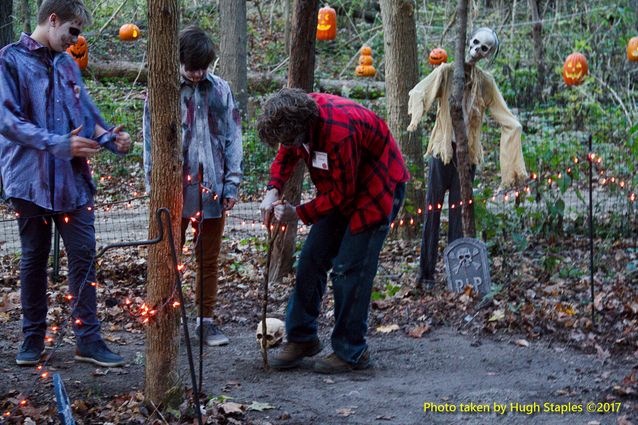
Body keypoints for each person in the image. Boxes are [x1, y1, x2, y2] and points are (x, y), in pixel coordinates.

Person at [0, 0, 131, 367]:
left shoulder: (68, 64)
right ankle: (31, 340)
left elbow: (87, 115)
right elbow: (7, 122)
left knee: (84, 256)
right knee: (33, 260)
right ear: (53, 19)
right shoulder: (9, 60)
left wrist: (110, 139)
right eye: (72, 31)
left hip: (73, 183)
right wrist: (58, 143)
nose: (75, 40)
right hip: (29, 182)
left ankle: (87, 340)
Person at [257, 88, 408, 374]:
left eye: (289, 140)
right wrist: (272, 190)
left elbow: (344, 196)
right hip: (341, 186)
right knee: (311, 258)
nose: (286, 145)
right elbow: (287, 153)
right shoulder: (295, 117)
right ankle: (302, 338)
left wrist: (297, 214)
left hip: (377, 188)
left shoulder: (339, 132)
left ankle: (352, 352)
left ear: (303, 129)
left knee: (348, 269)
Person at [143, 26, 243, 347]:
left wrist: (231, 185)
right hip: (173, 191)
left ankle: (205, 321)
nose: (198, 74)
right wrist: (152, 184)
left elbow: (233, 139)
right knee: (168, 255)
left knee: (207, 257)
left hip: (212, 188)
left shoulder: (222, 91)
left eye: (203, 67)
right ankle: (169, 319)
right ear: (179, 61)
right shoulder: (164, 91)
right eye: (191, 67)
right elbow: (150, 141)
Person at [407, 27, 527, 290]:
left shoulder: (486, 83)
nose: (477, 50)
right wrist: (417, 116)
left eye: (484, 48)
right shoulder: (447, 72)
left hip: (467, 159)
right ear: (468, 41)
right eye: (476, 43)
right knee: (431, 213)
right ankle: (426, 275)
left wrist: (513, 145)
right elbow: (420, 92)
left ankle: (455, 277)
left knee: (459, 216)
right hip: (442, 153)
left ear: (488, 54)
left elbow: (507, 118)